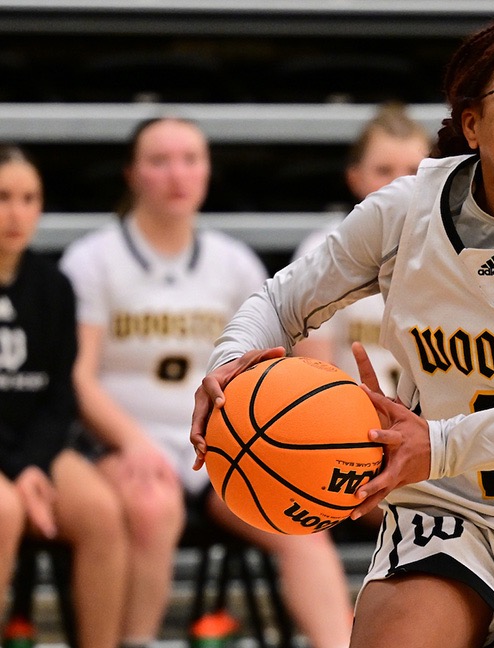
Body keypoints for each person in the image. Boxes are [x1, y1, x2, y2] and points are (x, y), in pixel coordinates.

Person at [190, 16, 494, 648]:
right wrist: (231, 363)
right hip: (449, 509)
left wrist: (437, 443)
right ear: (472, 122)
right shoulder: (407, 211)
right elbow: (280, 301)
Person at [59, 118, 354, 648]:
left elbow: (268, 367)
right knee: (152, 507)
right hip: (127, 443)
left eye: (191, 159)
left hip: (225, 445)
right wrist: (131, 442)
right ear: (132, 174)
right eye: (160, 160)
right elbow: (78, 376)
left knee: (300, 524)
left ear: (208, 170)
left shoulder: (233, 262)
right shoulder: (92, 259)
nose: (178, 174)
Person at [0, 145, 129, 648]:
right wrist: (18, 467)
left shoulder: (53, 286)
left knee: (101, 512)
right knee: (4, 511)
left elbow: (60, 395)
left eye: (29, 198)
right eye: (3, 197)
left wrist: (32, 464)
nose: (16, 212)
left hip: (37, 449)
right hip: (10, 455)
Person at [293, 102, 431, 397]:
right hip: (346, 430)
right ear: (355, 178)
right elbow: (312, 382)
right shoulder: (323, 249)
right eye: (383, 171)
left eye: (413, 171)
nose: (400, 184)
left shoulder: (455, 253)